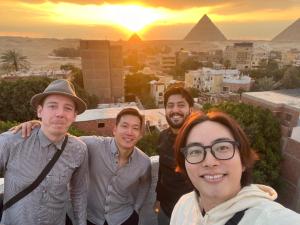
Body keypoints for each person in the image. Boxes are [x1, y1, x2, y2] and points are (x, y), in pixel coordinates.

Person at [12, 107, 151, 225]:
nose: (129, 132)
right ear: (114, 129)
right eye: (124, 126)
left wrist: (136, 209)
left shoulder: (144, 162)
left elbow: (146, 184)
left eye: (135, 128)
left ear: (140, 134)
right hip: (91, 219)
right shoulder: (93, 145)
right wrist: (39, 124)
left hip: (123, 218)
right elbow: (62, 138)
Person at [171, 111, 300, 225]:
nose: (210, 162)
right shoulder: (184, 206)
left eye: (222, 147)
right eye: (195, 151)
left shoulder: (273, 218)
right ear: (185, 165)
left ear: (243, 161)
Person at [0, 79, 89, 225]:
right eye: (52, 106)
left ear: (74, 116)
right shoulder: (11, 142)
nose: (60, 113)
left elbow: (78, 193)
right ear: (40, 111)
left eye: (67, 108)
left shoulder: (79, 149)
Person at [154, 86, 194, 225]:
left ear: (190, 109)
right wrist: (158, 199)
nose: (175, 110)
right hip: (166, 211)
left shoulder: (199, 139)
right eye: (170, 106)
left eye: (181, 105)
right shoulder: (162, 137)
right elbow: (162, 172)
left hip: (192, 215)